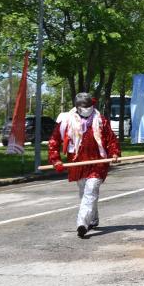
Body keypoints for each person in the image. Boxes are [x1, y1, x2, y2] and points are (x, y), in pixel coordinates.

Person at [49, 92, 121, 238]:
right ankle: (93, 219)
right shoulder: (66, 120)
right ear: (77, 107)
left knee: (91, 189)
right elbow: (54, 141)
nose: (87, 108)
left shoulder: (100, 120)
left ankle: (82, 223)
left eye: (89, 106)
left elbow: (111, 138)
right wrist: (55, 159)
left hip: (98, 162)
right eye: (84, 106)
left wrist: (114, 153)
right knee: (85, 193)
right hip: (78, 163)